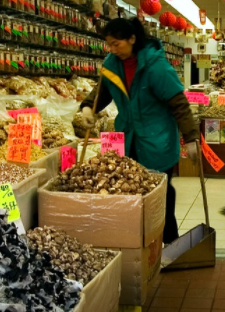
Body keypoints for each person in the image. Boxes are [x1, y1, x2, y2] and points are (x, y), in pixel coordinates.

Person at [75, 18, 199, 244]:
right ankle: (136, 243)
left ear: (132, 39)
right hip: (128, 139)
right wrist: (87, 106)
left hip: (157, 141)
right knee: (129, 189)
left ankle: (170, 240)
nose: (112, 50)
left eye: (116, 44)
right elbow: (102, 91)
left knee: (159, 193)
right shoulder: (112, 64)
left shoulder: (156, 67)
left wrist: (191, 138)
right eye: (109, 44)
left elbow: (178, 103)